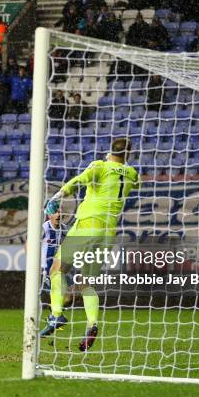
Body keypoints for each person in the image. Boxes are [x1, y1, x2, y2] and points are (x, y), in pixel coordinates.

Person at [40, 138, 139, 351]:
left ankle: (56, 315)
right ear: (128, 154)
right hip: (107, 233)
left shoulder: (100, 166)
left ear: (109, 151)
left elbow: (78, 181)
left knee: (57, 269)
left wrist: (56, 197)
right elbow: (126, 174)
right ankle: (92, 324)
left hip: (88, 224)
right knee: (86, 283)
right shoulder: (132, 174)